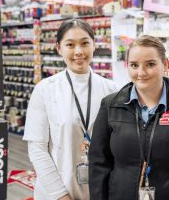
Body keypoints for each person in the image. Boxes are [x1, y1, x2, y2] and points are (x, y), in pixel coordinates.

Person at [89, 35, 169, 200]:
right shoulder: (110, 105)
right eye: (134, 65)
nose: (141, 72)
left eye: (150, 64)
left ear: (165, 64)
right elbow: (98, 163)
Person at [23, 19, 117, 200]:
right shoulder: (45, 89)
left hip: (100, 190)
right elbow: (37, 148)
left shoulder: (111, 90)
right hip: (56, 192)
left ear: (94, 45)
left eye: (84, 43)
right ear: (59, 48)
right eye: (70, 45)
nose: (78, 51)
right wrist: (61, 195)